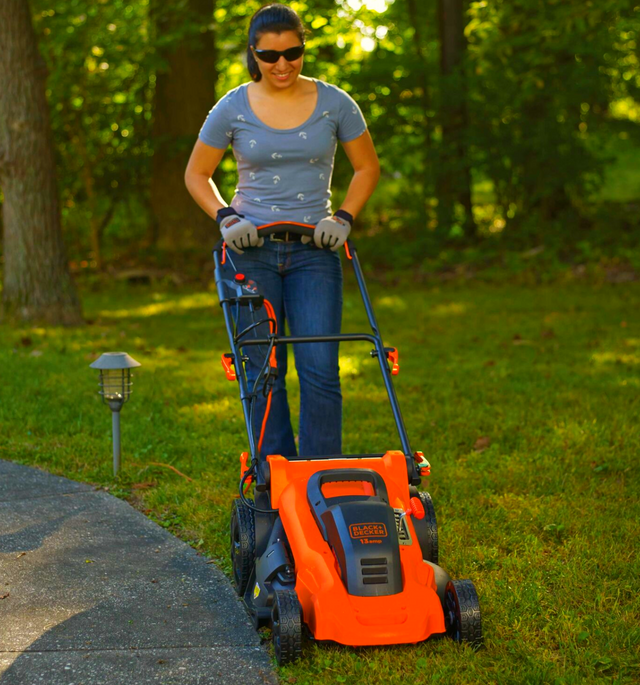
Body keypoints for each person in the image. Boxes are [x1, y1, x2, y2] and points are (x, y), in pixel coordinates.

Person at [185, 3, 380, 459]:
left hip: (315, 251)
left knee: (320, 370)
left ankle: (318, 477)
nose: (282, 65)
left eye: (292, 53)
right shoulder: (232, 107)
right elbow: (197, 174)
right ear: (253, 54)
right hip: (250, 252)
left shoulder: (335, 103)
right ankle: (274, 480)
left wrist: (344, 218)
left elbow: (367, 167)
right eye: (269, 56)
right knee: (262, 372)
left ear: (302, 49)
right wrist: (225, 217)